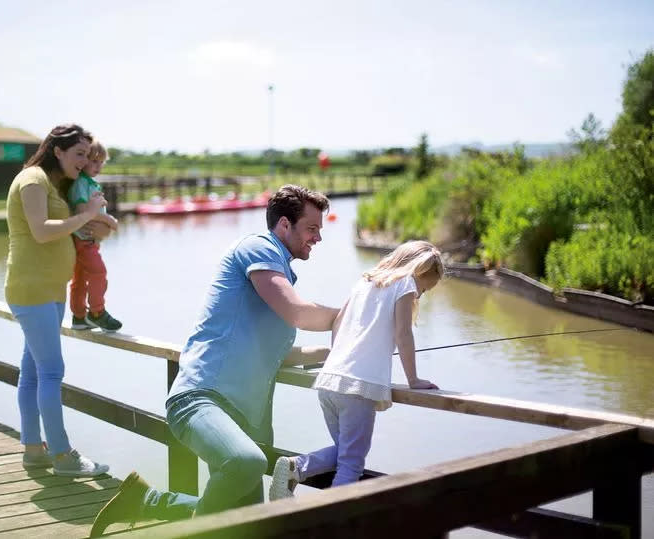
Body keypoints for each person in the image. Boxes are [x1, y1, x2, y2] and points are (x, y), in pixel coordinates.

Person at [90, 184, 338, 536]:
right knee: (245, 462)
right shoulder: (259, 248)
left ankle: (145, 502)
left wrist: (338, 351)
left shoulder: (280, 274)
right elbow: (298, 312)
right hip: (200, 399)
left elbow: (281, 356)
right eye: (312, 228)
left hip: (244, 420)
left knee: (247, 524)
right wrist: (352, 316)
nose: (318, 238)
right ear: (285, 225)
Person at [268, 240, 444, 499]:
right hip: (357, 386)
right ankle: (331, 519)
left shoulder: (365, 282)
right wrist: (413, 379)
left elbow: (339, 322)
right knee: (351, 463)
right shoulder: (406, 283)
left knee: (345, 450)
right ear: (419, 270)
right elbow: (403, 333)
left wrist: (339, 358)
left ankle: (296, 467)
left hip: (329, 381)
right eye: (424, 288)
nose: (420, 295)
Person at [5, 123, 111, 477]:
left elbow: (69, 230)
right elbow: (41, 231)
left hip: (49, 290)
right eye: (79, 153)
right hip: (31, 289)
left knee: (33, 371)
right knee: (51, 371)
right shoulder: (33, 179)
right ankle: (64, 457)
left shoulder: (52, 184)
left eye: (87, 154)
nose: (85, 160)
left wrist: (96, 221)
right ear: (57, 151)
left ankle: (34, 450)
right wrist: (85, 215)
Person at [67, 139, 122, 332]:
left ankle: (79, 316)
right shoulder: (81, 184)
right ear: (83, 162)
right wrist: (109, 221)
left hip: (87, 239)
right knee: (98, 272)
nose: (98, 166)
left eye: (101, 162)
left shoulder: (89, 183)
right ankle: (97, 312)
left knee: (81, 278)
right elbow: (84, 210)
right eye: (94, 161)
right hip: (84, 239)